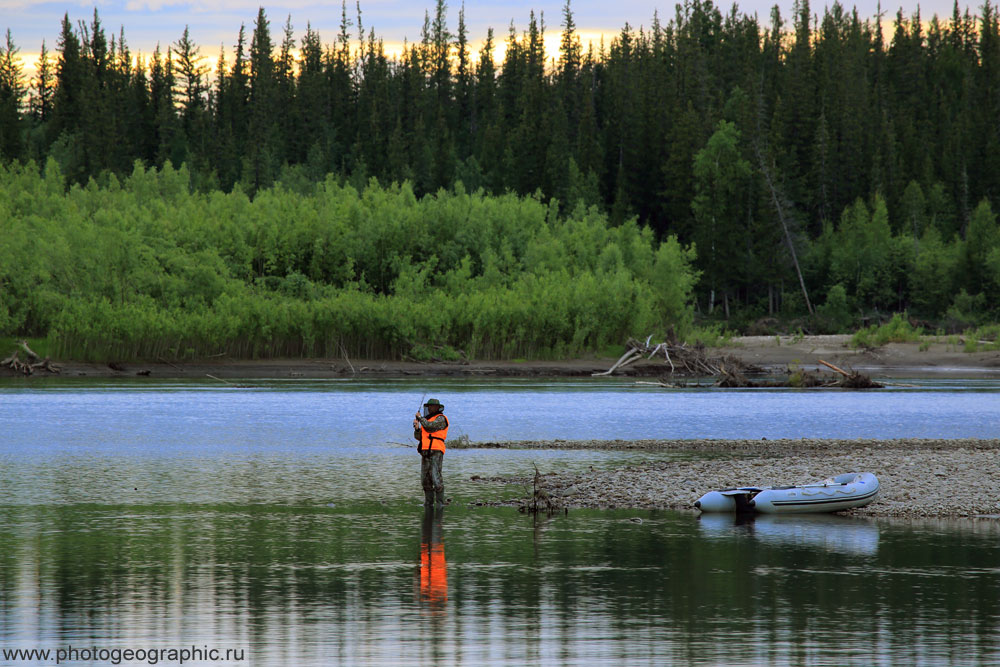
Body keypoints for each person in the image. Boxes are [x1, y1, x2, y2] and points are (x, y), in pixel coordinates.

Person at [413, 398, 449, 506]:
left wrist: (420, 418)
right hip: (425, 452)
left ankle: (440, 504)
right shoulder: (426, 420)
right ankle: (428, 504)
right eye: (428, 406)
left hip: (436, 451)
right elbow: (419, 437)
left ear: (437, 408)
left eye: (431, 406)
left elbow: (430, 427)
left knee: (436, 478)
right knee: (425, 480)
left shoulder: (441, 419)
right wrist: (417, 429)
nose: (429, 408)